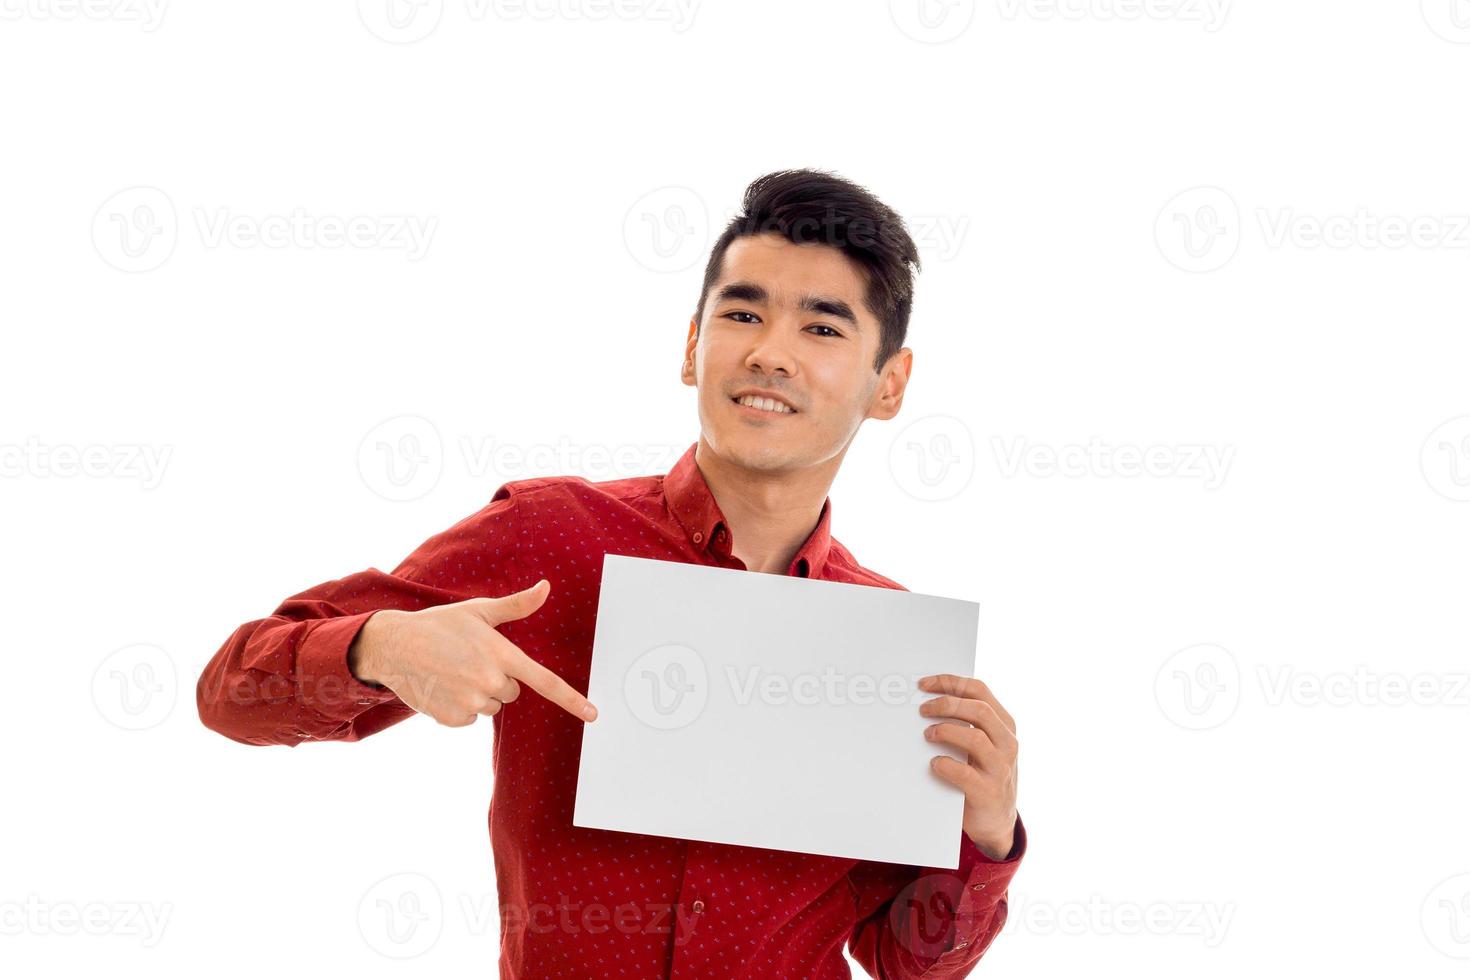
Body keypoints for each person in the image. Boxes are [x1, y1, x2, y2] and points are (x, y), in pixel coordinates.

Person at [196, 168, 1025, 978]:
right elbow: (231, 692)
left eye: (823, 328)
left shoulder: (892, 646)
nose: (772, 354)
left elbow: (901, 959)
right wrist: (377, 648)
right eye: (743, 313)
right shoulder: (549, 537)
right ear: (694, 346)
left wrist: (986, 838)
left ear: (890, 385)